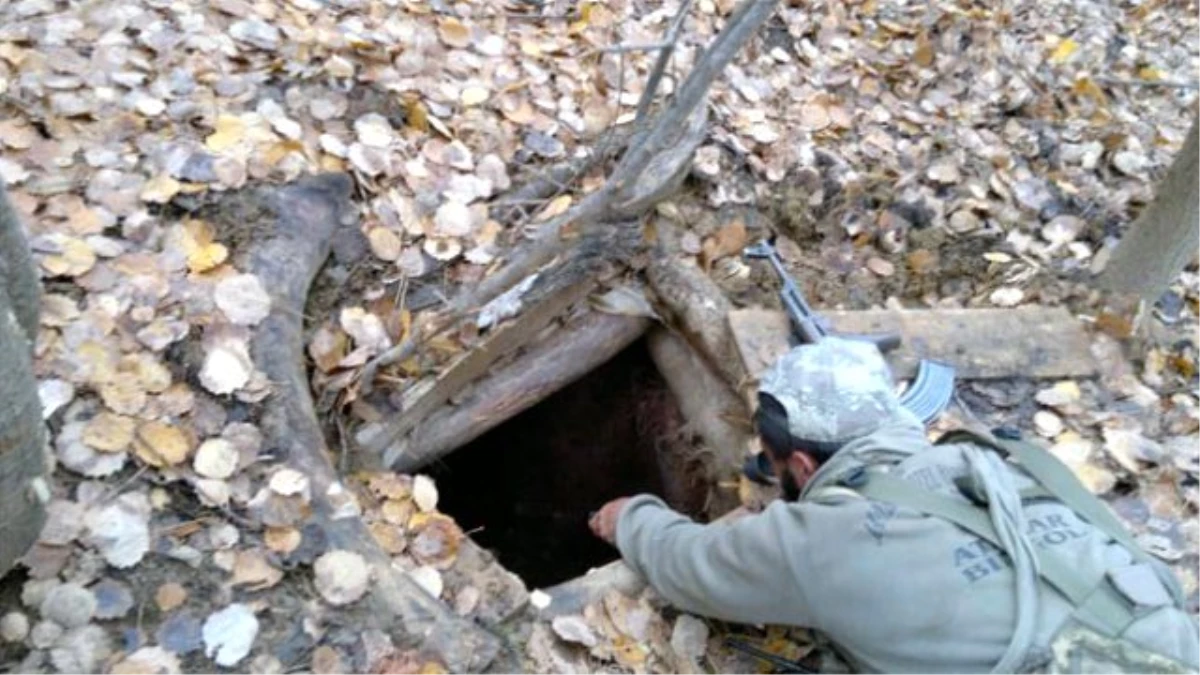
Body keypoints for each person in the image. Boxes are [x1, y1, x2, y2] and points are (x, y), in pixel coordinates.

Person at [589, 337, 1200, 673]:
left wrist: (629, 518)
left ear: (801, 466)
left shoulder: (827, 541)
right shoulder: (999, 462)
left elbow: (690, 566)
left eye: (775, 466)